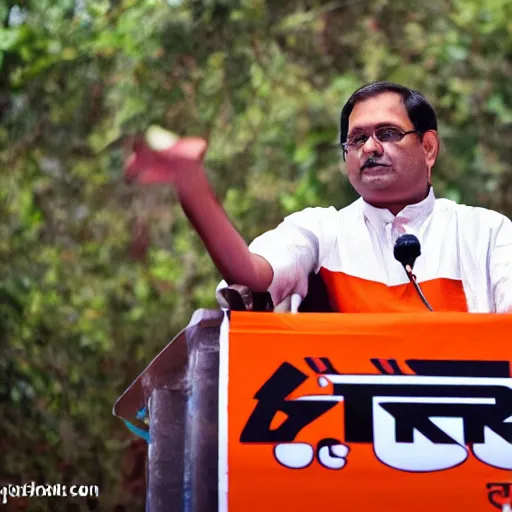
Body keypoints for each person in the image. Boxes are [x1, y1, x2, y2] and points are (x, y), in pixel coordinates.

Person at [125, 81, 512, 313]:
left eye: (388, 133)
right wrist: (192, 188)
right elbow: (250, 276)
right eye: (357, 139)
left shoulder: (486, 232)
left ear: (428, 147)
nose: (370, 148)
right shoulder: (321, 230)